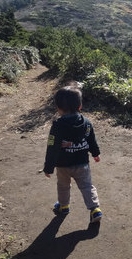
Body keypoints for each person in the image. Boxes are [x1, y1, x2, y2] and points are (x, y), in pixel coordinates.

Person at [43, 86, 102, 223]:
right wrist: (95, 153)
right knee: (87, 186)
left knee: (63, 186)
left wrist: (48, 167)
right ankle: (95, 209)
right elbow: (91, 139)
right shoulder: (87, 123)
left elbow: (52, 147)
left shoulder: (57, 125)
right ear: (80, 106)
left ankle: (63, 207)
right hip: (82, 163)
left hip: (63, 165)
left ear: (58, 108)